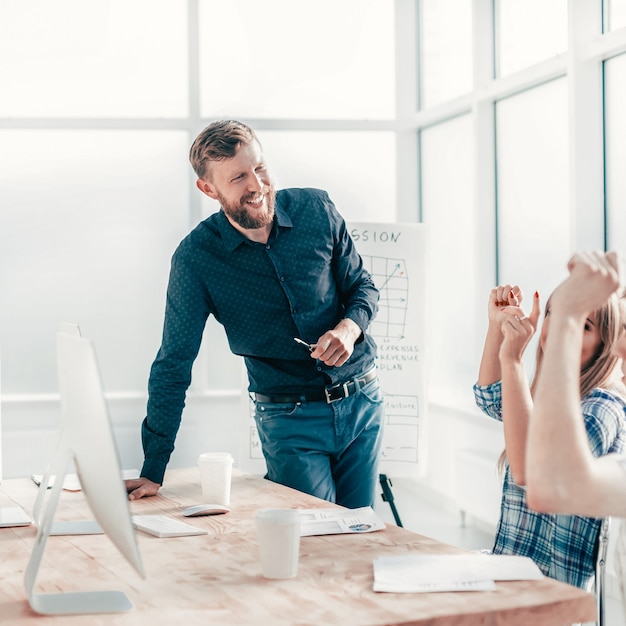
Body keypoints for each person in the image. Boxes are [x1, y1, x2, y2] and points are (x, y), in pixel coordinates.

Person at [124, 120, 384, 509]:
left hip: (363, 402)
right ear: (208, 188)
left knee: (362, 533)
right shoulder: (196, 258)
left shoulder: (317, 209)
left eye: (260, 168)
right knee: (313, 538)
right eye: (238, 177)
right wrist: (153, 467)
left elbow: (362, 286)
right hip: (289, 419)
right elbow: (174, 362)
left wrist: (348, 329)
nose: (257, 185)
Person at [473, 269, 626, 590]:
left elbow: (535, 472)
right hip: (509, 574)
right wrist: (496, 328)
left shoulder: (604, 408)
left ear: (606, 342)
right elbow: (491, 398)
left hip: (549, 596)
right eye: (555, 315)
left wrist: (513, 360)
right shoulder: (556, 393)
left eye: (583, 325)